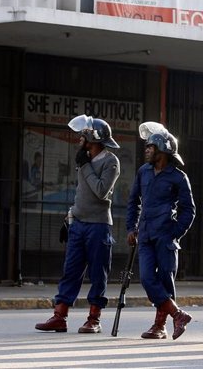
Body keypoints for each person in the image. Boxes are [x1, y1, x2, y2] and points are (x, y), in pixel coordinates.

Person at [35, 115, 121, 334]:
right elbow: (81, 193)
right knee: (70, 270)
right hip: (78, 223)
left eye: (83, 135)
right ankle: (60, 315)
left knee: (98, 272)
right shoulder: (85, 159)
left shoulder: (110, 161)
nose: (79, 139)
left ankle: (94, 318)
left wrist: (85, 167)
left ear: (93, 137)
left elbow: (101, 191)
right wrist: (70, 216)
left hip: (98, 225)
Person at [126, 122, 195, 341]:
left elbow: (189, 210)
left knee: (166, 278)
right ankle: (178, 314)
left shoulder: (178, 177)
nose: (146, 150)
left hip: (165, 236)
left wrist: (175, 232)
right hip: (145, 235)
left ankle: (159, 326)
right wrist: (131, 227)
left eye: (150, 147)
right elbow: (133, 201)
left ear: (161, 150)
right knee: (147, 279)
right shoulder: (143, 172)